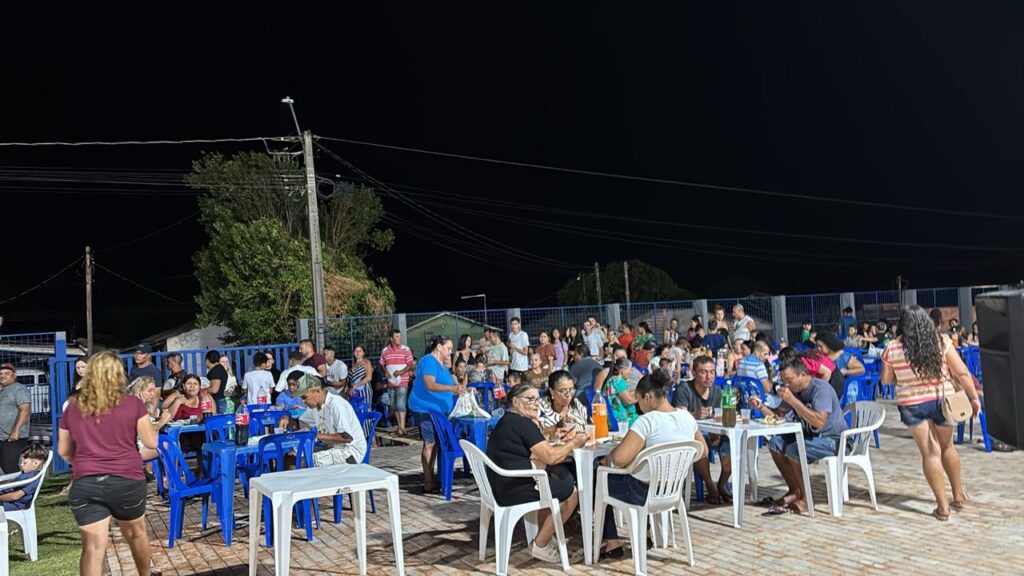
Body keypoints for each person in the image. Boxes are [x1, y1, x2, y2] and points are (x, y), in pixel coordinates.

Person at [58, 350, 157, 576]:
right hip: (126, 479)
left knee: (93, 547)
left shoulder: (73, 406)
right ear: (119, 374)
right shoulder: (133, 404)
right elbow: (151, 442)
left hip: (86, 482)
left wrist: (83, 461)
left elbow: (63, 450)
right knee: (136, 534)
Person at [880, 305, 981, 521]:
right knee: (947, 447)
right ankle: (958, 495)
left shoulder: (893, 347)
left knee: (929, 453)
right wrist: (973, 397)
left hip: (912, 404)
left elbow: (886, 380)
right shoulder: (941, 341)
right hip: (941, 399)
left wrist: (904, 376)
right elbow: (962, 372)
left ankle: (942, 507)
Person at [597, 375, 708, 559]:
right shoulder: (687, 417)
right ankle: (647, 532)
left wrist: (609, 458)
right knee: (640, 473)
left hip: (640, 492)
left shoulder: (647, 421)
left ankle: (612, 541)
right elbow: (703, 450)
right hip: (672, 490)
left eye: (638, 400)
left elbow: (619, 459)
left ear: (648, 397)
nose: (637, 406)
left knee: (598, 477)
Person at [487, 383, 586, 563]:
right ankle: (540, 544)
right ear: (515, 401)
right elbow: (551, 457)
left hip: (501, 484)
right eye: (530, 399)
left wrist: (552, 437)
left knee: (556, 480)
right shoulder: (523, 424)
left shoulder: (508, 420)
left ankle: (545, 536)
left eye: (537, 399)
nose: (535, 404)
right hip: (514, 488)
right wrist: (573, 443)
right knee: (571, 491)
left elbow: (531, 446)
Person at [750, 360, 847, 515]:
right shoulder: (794, 391)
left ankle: (806, 499)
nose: (786, 384)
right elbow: (778, 416)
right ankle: (794, 491)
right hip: (812, 437)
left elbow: (820, 422)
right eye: (783, 380)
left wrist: (792, 400)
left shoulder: (820, 389)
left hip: (835, 440)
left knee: (794, 449)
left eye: (789, 379)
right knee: (775, 443)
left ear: (803, 375)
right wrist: (761, 407)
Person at [409, 336, 467, 494]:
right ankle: (428, 482)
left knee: (435, 443)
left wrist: (460, 389)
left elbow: (448, 385)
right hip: (426, 409)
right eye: (448, 348)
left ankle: (433, 478)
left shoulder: (441, 365)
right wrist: (452, 389)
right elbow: (430, 385)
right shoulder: (429, 361)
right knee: (429, 443)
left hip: (438, 411)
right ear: (439, 347)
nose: (450, 351)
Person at [673, 355, 731, 503]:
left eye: (712, 372)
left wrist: (717, 433)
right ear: (693, 372)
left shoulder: (717, 391)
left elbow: (719, 416)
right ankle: (710, 485)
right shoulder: (684, 389)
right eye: (703, 372)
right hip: (690, 435)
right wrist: (695, 415)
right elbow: (679, 418)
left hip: (713, 432)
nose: (709, 376)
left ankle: (722, 484)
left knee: (734, 443)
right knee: (698, 443)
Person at [294, 375, 367, 466]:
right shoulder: (315, 407)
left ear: (317, 391)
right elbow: (300, 420)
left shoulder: (336, 404)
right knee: (292, 456)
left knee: (300, 463)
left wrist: (316, 435)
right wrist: (286, 418)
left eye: (304, 397)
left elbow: (347, 438)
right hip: (333, 448)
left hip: (349, 452)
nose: (303, 401)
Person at [128, 376, 173, 463]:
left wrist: (159, 419)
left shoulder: (145, 406)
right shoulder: (134, 407)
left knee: (170, 441)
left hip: (144, 443)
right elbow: (145, 431)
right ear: (139, 391)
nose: (153, 394)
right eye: (149, 391)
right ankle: (168, 472)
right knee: (169, 445)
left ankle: (159, 470)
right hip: (136, 448)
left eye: (154, 391)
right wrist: (163, 421)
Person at [380, 329, 416, 436]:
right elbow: (381, 363)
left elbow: (410, 364)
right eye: (396, 337)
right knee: (394, 404)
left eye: (399, 336)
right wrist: (385, 371)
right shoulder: (385, 351)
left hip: (402, 380)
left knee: (401, 403)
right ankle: (400, 426)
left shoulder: (406, 349)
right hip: (391, 381)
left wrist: (401, 372)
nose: (399, 339)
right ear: (391, 338)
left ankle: (402, 427)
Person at [0, 363, 32, 474]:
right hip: (3, 437)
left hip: (14, 438)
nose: (3, 376)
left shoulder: (18, 389)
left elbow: (25, 409)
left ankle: (20, 485)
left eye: (7, 373)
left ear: (14, 375)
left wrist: (15, 431)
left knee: (12, 469)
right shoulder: (2, 391)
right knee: (5, 469)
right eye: (1, 374)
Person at [538, 371, 588, 436]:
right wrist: (559, 424)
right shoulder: (540, 406)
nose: (568, 395)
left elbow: (587, 428)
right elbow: (535, 434)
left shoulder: (576, 405)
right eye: (563, 391)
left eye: (571, 389)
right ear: (551, 391)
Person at [0, 443, 47, 511]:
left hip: (11, 504)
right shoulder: (28, 475)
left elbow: (14, 496)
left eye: (24, 462)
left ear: (35, 463)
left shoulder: (32, 479)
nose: (21, 464)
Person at [816, 332, 865, 397]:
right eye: (817, 346)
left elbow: (861, 369)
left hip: (840, 391)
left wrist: (846, 372)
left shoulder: (844, 356)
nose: (818, 348)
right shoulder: (818, 356)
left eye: (820, 346)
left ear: (829, 345)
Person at [602, 357, 637, 426]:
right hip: (619, 418)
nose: (630, 373)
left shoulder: (612, 379)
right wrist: (641, 397)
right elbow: (628, 400)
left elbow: (623, 394)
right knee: (643, 421)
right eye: (629, 370)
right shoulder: (618, 381)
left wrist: (637, 392)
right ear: (622, 370)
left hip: (611, 416)